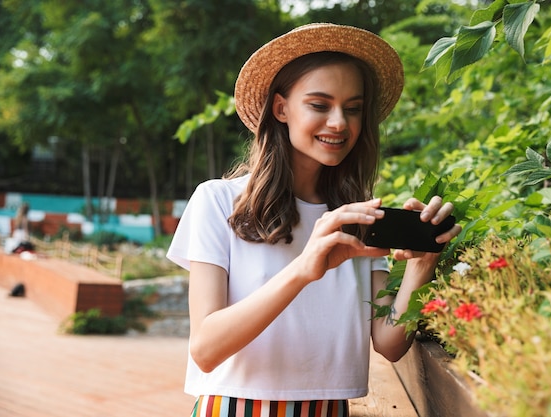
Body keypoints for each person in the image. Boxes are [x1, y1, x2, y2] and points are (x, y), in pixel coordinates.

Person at [167, 23, 461, 417]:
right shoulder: (218, 202)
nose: (339, 122)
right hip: (238, 407)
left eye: (353, 108)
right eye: (320, 105)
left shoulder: (356, 215)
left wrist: (423, 263)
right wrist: (304, 268)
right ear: (281, 108)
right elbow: (205, 348)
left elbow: (390, 342)